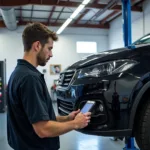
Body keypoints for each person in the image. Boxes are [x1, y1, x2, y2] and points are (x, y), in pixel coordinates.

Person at [7, 22, 91, 150]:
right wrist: (75, 124)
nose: (51, 54)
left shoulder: (17, 73)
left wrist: (67, 118)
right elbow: (43, 129)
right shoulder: (30, 78)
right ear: (37, 45)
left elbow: (37, 118)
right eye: (49, 48)